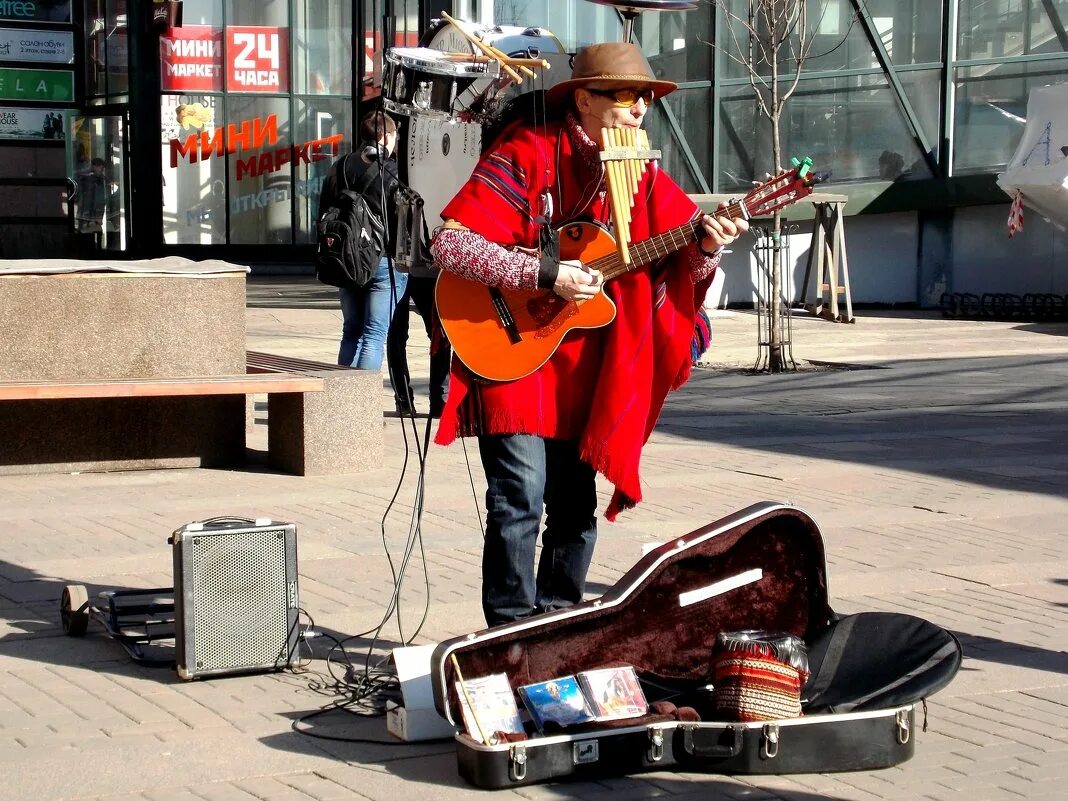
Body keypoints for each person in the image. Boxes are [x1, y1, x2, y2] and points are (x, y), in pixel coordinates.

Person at [430, 42, 748, 627]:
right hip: (512, 347)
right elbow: (450, 242)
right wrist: (544, 272)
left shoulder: (641, 174)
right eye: (626, 97)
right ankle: (505, 632)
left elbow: (677, 269)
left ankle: (558, 625)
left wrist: (706, 245)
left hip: (582, 364)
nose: (638, 112)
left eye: (645, 100)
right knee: (518, 499)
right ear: (584, 99)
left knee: (575, 509)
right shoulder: (526, 149)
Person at [319, 111, 408, 369]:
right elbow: (402, 222)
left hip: (344, 257)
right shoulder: (393, 172)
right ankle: (362, 406)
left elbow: (325, 210)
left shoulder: (340, 166)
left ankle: (344, 399)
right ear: (386, 136)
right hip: (381, 260)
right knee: (374, 335)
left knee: (351, 331)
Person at [386, 272, 451, 417]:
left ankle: (435, 399)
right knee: (398, 334)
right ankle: (409, 399)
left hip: (421, 269)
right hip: (413, 268)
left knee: (439, 334)